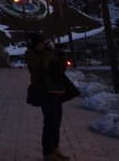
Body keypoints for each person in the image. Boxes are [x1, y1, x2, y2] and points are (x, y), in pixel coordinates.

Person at [25, 33, 79, 161]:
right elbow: (39, 66)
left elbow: (61, 69)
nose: (44, 46)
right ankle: (47, 152)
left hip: (55, 90)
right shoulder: (31, 54)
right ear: (35, 44)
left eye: (44, 43)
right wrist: (48, 52)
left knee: (56, 121)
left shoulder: (46, 54)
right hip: (44, 92)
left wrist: (61, 55)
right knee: (50, 121)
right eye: (41, 43)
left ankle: (55, 148)